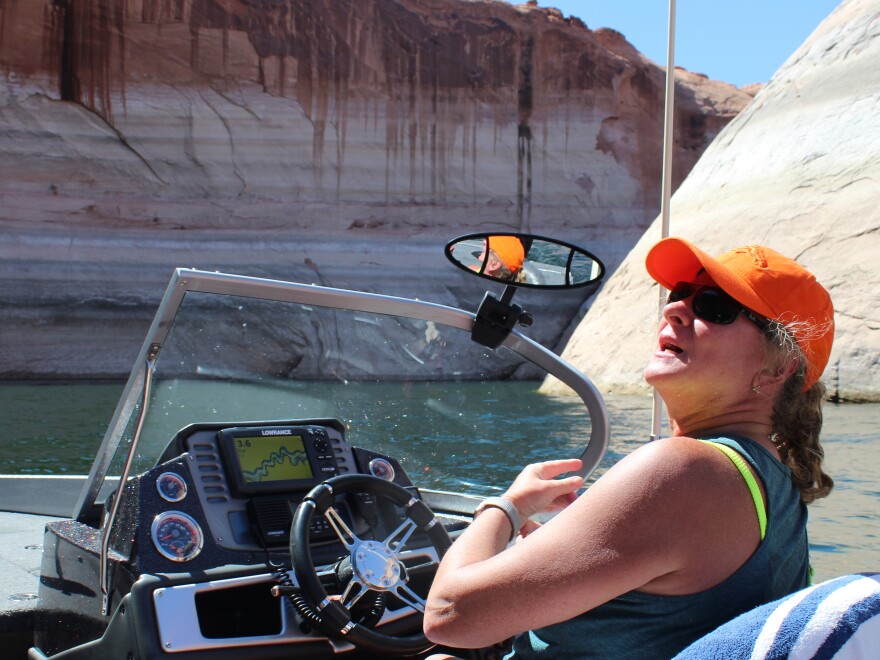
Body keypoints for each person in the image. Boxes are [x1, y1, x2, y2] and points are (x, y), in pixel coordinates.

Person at [424, 237, 836, 658]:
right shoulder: (773, 483)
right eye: (679, 294)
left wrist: (507, 509)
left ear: (778, 366)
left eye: (715, 306)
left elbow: (450, 615)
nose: (674, 309)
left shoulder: (687, 472)